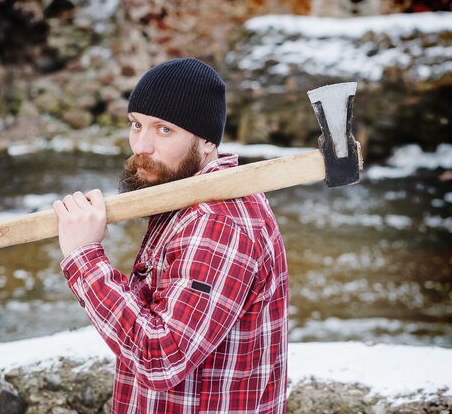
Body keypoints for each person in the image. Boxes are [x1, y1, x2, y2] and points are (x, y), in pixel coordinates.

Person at [52, 58, 288, 414]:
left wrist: (84, 256)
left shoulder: (216, 223)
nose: (141, 146)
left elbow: (160, 356)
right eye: (136, 125)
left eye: (164, 130)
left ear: (207, 141)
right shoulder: (183, 197)